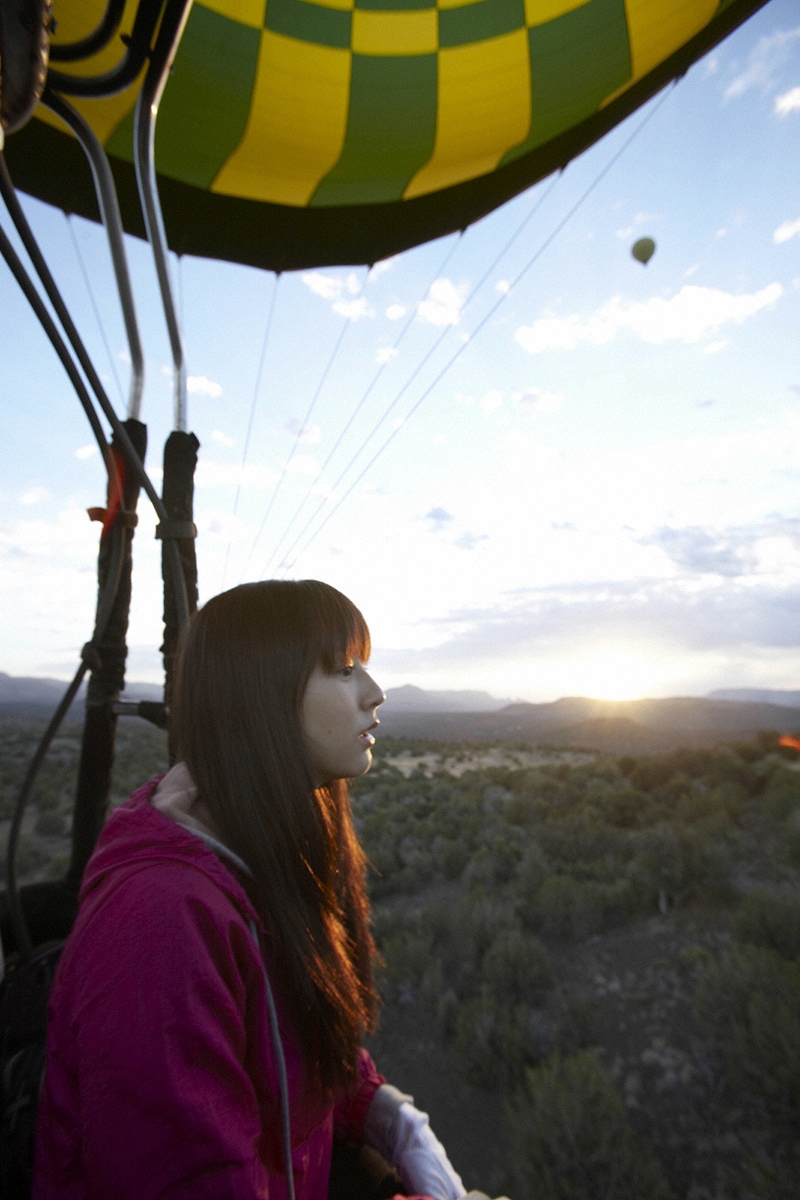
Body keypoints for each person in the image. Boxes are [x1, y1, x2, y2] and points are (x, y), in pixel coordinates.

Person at [33, 580, 470, 1200]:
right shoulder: (162, 921)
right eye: (344, 669)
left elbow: (289, 1063)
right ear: (262, 696)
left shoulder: (261, 851)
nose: (375, 692)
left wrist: (386, 1115)